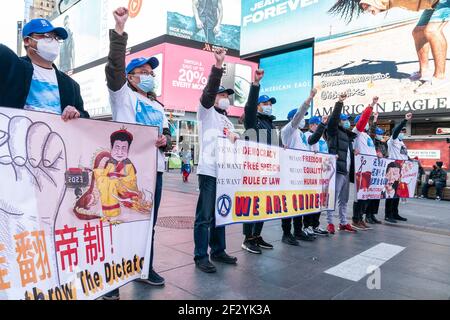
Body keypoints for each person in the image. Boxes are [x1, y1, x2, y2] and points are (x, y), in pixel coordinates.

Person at [103, 7, 172, 299]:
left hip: (153, 170)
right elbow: (114, 68)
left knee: (147, 224)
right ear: (130, 77)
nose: (148, 76)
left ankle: (144, 269)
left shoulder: (158, 105)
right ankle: (111, 281)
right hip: (125, 170)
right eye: (142, 72)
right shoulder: (123, 95)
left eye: (150, 73)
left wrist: (165, 140)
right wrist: (119, 32)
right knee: (119, 223)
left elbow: (168, 135)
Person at [329, 0, 450, 94]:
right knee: (418, 32)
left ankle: (440, 77)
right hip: (432, 3)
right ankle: (423, 72)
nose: (363, 7)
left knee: (432, 31)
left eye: (365, 5)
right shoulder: (385, 2)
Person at [194, 47, 238, 273]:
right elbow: (209, 92)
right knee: (205, 215)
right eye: (222, 95)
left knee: (222, 213)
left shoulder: (228, 122)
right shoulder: (206, 111)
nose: (225, 99)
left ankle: (218, 250)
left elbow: (235, 146)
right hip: (209, 171)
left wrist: (235, 139)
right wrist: (218, 67)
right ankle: (201, 255)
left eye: (227, 96)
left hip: (225, 174)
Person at [0, 18, 88, 120]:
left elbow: (85, 118)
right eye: (47, 36)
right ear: (27, 40)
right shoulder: (13, 67)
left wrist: (76, 113)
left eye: (56, 37)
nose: (54, 41)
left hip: (55, 135)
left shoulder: (71, 85)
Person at [241, 69, 276, 254]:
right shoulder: (253, 121)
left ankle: (257, 235)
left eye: (270, 103)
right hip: (254, 170)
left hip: (268, 170)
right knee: (252, 203)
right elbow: (249, 107)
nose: (269, 105)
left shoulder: (270, 123)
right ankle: (247, 238)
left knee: (263, 204)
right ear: (258, 106)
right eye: (265, 103)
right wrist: (255, 85)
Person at [280, 89, 318, 246]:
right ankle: (287, 233)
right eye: (301, 117)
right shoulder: (288, 130)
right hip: (290, 174)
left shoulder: (301, 135)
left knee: (299, 204)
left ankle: (298, 230)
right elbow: (297, 117)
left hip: (301, 174)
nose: (303, 120)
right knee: (289, 203)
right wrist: (308, 100)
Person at [326, 93, 358, 234]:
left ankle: (343, 222)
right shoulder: (333, 131)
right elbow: (332, 119)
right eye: (344, 120)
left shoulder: (347, 135)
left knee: (344, 199)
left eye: (347, 120)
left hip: (346, 171)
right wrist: (339, 102)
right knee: (333, 197)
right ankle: (330, 222)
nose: (347, 122)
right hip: (337, 170)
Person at [351, 97, 379, 231]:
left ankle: (361, 218)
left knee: (366, 196)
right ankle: (355, 219)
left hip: (370, 170)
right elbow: (362, 121)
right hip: (360, 170)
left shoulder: (367, 136)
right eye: (366, 122)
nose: (367, 124)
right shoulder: (356, 133)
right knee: (359, 196)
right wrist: (371, 105)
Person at [303, 115, 331, 236]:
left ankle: (315, 224)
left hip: (323, 172)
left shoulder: (322, 138)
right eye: (317, 125)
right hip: (312, 173)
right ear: (311, 125)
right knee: (311, 200)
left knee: (319, 200)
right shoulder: (307, 136)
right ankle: (307, 225)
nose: (319, 127)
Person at [385, 113, 413, 223]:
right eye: (402, 131)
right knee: (391, 192)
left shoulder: (402, 143)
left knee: (398, 192)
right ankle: (388, 214)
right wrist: (405, 121)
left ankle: (395, 213)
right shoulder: (393, 140)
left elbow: (404, 155)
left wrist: (411, 160)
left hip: (401, 168)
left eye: (403, 131)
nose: (402, 133)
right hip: (393, 168)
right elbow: (396, 131)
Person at [365, 112, 387, 224]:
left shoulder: (383, 144)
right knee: (370, 195)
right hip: (372, 172)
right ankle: (367, 215)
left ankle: (373, 214)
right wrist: (375, 119)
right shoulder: (372, 141)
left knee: (377, 195)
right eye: (380, 134)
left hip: (380, 174)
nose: (381, 136)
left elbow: (386, 156)